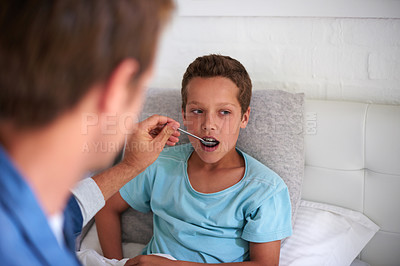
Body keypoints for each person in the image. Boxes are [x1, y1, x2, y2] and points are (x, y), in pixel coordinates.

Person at [0, 1, 179, 265]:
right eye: (140, 88)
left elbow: (61, 214)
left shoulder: (31, 200)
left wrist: (130, 166)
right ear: (115, 90)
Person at [95, 55, 293, 265]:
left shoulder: (266, 190)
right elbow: (105, 203)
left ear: (244, 117)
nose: (209, 125)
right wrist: (116, 263)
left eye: (224, 112)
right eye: (197, 111)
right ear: (184, 115)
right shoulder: (158, 163)